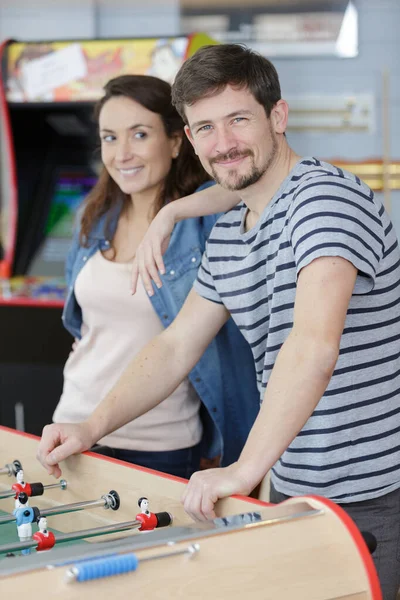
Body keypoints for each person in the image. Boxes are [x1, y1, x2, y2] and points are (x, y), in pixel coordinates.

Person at [37, 46, 400, 599]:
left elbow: (313, 344)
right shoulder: (233, 228)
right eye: (205, 126)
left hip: (376, 493)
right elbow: (176, 344)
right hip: (300, 488)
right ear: (190, 135)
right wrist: (91, 427)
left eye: (238, 119)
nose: (223, 142)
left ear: (278, 116)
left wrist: (242, 469)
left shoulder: (324, 202)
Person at [49, 73, 259, 480]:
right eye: (109, 138)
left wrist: (172, 212)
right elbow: (85, 330)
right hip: (74, 427)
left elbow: (262, 180)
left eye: (139, 135)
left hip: (160, 443)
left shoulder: (207, 221)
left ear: (178, 141)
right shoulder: (91, 220)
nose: (122, 153)